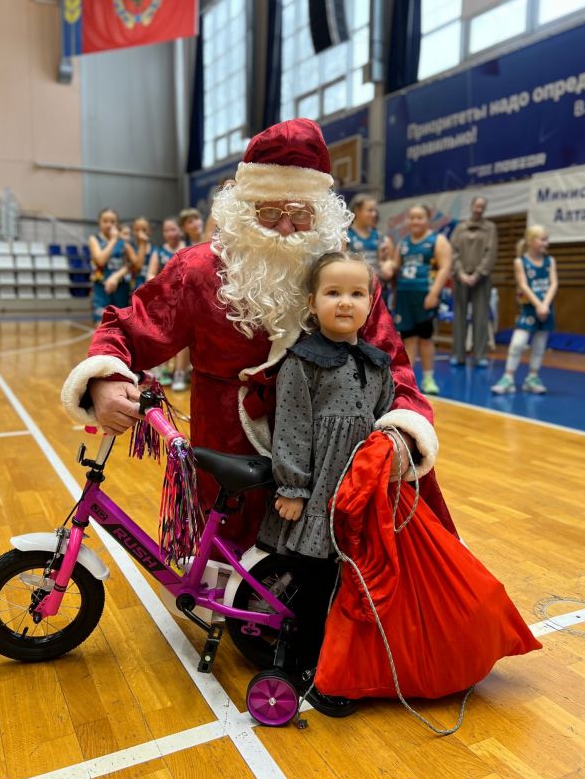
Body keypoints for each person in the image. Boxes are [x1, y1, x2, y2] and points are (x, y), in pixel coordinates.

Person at [62, 118, 454, 554]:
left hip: (329, 454)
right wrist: (105, 379)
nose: (285, 228)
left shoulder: (347, 283)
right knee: (228, 570)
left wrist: (403, 431)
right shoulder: (196, 272)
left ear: (321, 215)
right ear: (243, 211)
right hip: (227, 450)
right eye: (269, 213)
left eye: (300, 214)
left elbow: (390, 365)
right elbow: (127, 329)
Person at [256, 250, 396, 715]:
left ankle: (343, 664)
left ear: (371, 303)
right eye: (333, 293)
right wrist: (292, 488)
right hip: (318, 496)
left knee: (347, 588)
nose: (345, 302)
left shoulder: (377, 363)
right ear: (312, 302)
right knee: (315, 590)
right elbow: (292, 429)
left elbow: (382, 422)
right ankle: (306, 666)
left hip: (359, 497)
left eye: (356, 293)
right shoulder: (303, 361)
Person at [491, 225, 557, 394]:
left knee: (540, 345)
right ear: (530, 241)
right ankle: (508, 378)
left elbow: (554, 283)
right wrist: (538, 304)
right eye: (542, 239)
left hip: (545, 310)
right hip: (529, 309)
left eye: (546, 239)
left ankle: (532, 377)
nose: (546, 243)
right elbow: (523, 285)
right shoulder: (520, 262)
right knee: (517, 343)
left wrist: (545, 304)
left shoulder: (550, 261)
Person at [393, 205, 451, 396]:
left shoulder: (437, 240)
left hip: (425, 296)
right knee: (408, 340)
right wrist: (386, 264)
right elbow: (394, 266)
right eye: (412, 217)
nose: (415, 221)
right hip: (404, 297)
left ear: (428, 219)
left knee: (425, 339)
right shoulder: (403, 243)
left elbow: (444, 268)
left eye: (419, 217)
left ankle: (428, 378)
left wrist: (433, 294)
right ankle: (408, 380)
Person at [450, 196, 498, 366]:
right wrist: (461, 273)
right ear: (471, 206)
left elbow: (490, 253)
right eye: (476, 205)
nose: (479, 209)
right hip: (460, 278)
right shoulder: (460, 228)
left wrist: (477, 274)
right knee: (459, 317)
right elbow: (453, 252)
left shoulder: (490, 228)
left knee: (481, 317)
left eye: (482, 206)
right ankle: (458, 355)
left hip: (482, 279)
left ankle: (480, 356)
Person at [146, 218, 187, 388]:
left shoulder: (188, 248)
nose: (170, 233)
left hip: (185, 300)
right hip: (164, 301)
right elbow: (149, 275)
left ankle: (180, 373)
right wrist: (163, 286)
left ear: (180, 230)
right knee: (163, 336)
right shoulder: (158, 252)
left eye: (173, 229)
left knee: (184, 338)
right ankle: (163, 371)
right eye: (166, 230)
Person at [88, 208, 130, 325]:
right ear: (99, 222)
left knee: (120, 326)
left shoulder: (123, 241)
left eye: (112, 221)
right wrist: (113, 240)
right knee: (101, 324)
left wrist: (116, 277)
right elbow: (100, 260)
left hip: (121, 287)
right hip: (101, 287)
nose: (109, 224)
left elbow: (129, 265)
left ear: (117, 223)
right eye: (105, 221)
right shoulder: (94, 239)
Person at [347, 194, 396, 285]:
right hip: (354, 286)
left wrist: (389, 265)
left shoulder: (381, 237)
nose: (374, 214)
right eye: (370, 210)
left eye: (375, 211)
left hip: (378, 288)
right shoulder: (346, 237)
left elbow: (392, 261)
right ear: (357, 211)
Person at [125, 217, 153, 290]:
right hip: (134, 285)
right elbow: (138, 266)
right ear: (133, 231)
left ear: (150, 231)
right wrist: (142, 243)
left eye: (144, 230)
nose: (140, 233)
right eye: (137, 230)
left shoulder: (155, 249)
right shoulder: (129, 247)